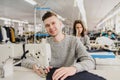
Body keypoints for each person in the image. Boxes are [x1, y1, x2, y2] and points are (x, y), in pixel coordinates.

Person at [21, 11, 95, 80]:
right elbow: (25, 60)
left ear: (60, 24)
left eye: (53, 23)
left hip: (69, 77)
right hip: (50, 77)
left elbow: (90, 61)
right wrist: (34, 65)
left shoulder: (74, 41)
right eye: (47, 25)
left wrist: (74, 68)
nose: (51, 27)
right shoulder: (44, 43)